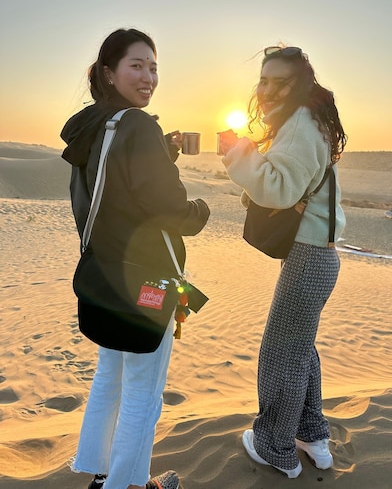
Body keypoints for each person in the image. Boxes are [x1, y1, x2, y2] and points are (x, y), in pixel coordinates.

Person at [61, 28, 210, 489]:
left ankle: (99, 467)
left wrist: (160, 157)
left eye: (154, 67)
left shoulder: (94, 125)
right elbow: (170, 210)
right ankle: (127, 483)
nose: (148, 77)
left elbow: (111, 196)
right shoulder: (138, 126)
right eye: (136, 65)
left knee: (111, 374)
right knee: (144, 388)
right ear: (109, 71)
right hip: (147, 277)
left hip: (106, 273)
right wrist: (200, 211)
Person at [220, 45, 347, 479]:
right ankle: (313, 437)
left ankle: (275, 446)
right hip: (317, 254)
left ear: (302, 84)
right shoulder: (311, 121)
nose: (269, 90)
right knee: (299, 349)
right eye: (264, 80)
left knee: (282, 354)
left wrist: (238, 154)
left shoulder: (300, 124)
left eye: (281, 81)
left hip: (308, 257)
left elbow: (278, 190)